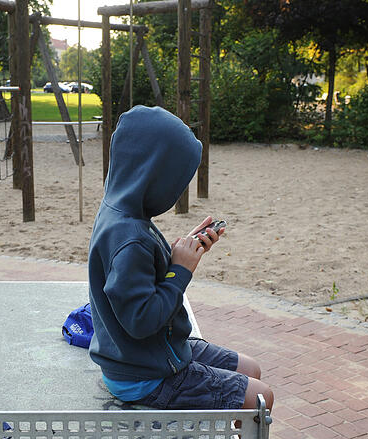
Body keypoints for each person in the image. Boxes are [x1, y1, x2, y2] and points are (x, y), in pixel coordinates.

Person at [87, 105, 273, 412]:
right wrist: (180, 271)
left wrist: (181, 251)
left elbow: (139, 275)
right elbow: (141, 321)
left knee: (250, 369)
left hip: (150, 352)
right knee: (261, 398)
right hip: (143, 375)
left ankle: (228, 437)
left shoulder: (122, 212)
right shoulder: (129, 237)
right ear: (154, 174)